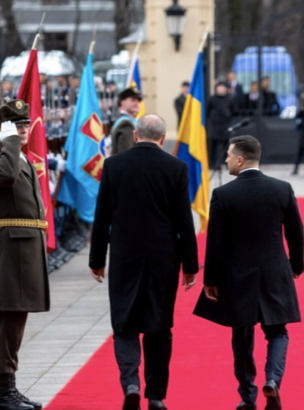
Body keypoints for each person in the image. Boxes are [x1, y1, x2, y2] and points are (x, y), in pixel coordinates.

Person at [89, 115, 199, 410]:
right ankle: (156, 395)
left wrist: (97, 259)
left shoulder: (114, 165)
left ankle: (131, 383)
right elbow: (183, 221)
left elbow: (103, 217)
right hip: (164, 258)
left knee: (124, 324)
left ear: (135, 136)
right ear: (163, 139)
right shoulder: (177, 167)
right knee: (159, 326)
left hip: (125, 256)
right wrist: (190, 265)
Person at [194, 135, 304, 410]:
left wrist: (211, 280)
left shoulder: (223, 194)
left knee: (241, 337)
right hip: (274, 272)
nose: (226, 160)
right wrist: (296, 265)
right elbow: (296, 232)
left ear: (240, 160)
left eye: (229, 156)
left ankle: (247, 396)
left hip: (237, 276)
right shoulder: (282, 188)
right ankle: (273, 381)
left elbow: (215, 242)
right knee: (278, 333)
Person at [0, 99, 49, 410]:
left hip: (24, 248)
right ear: (2, 131)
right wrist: (7, 141)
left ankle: (10, 387)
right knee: (6, 323)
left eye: (24, 126)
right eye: (16, 126)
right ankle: (1, 394)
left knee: (16, 322)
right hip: (9, 250)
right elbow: (4, 178)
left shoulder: (20, 158)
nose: (23, 131)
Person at [207, 82, 234, 168]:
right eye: (219, 87)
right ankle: (212, 163)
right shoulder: (212, 99)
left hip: (225, 125)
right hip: (214, 126)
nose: (221, 89)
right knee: (213, 146)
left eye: (222, 87)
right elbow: (207, 111)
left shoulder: (230, 99)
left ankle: (226, 162)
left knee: (226, 146)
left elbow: (233, 110)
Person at [110, 87, 142, 155]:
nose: (137, 103)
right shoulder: (126, 124)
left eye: (138, 101)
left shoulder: (121, 121)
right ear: (123, 102)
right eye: (133, 100)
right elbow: (126, 155)